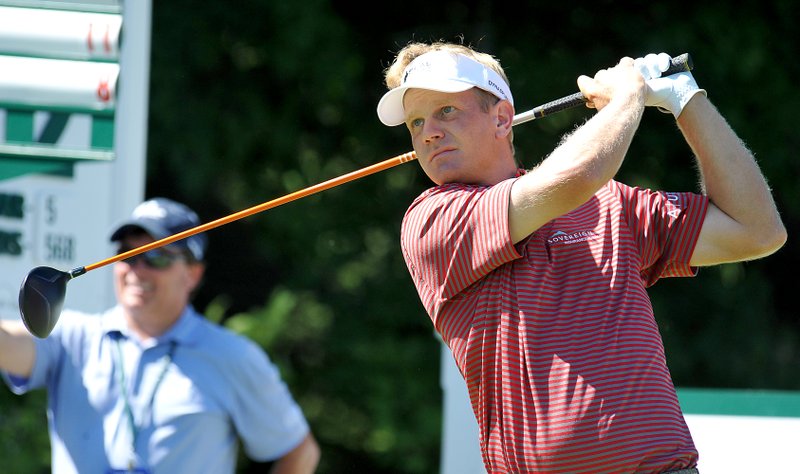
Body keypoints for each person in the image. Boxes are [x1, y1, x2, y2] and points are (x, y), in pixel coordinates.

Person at [376, 42, 786, 473]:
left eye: (445, 112)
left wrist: (685, 100)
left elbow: (757, 230)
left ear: (501, 118)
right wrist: (628, 95)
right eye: (416, 121)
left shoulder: (611, 204)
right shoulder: (432, 219)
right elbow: (574, 177)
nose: (428, 132)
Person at [1, 197, 320, 474]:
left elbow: (298, 451)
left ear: (193, 274)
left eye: (156, 257)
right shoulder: (74, 336)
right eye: (126, 254)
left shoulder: (234, 357)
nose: (137, 269)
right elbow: (8, 344)